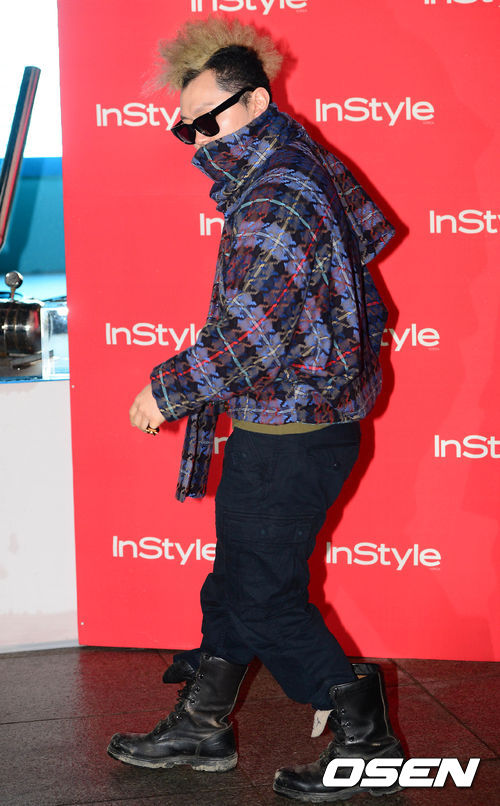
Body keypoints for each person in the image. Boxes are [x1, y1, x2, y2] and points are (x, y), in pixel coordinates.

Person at [107, 17, 404, 802]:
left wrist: (166, 389)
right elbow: (366, 243)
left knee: (265, 595)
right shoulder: (294, 160)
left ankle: (366, 737)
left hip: (291, 431)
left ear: (256, 103)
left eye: (210, 122)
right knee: (239, 581)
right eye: (187, 128)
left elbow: (254, 334)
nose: (200, 141)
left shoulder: (275, 190)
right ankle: (204, 724)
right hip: (294, 421)